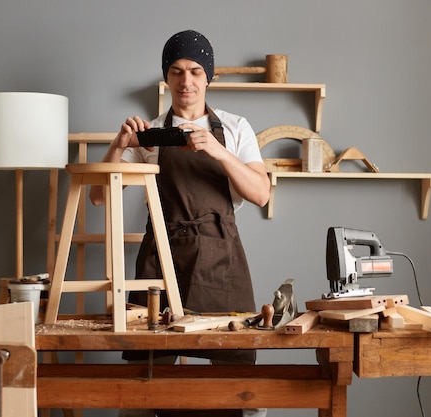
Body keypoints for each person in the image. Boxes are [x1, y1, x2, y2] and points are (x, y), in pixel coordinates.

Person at [90, 30, 270, 417]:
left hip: (221, 257)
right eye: (176, 71)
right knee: (146, 370)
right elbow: (98, 196)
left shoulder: (236, 128)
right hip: (161, 257)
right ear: (166, 77)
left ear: (209, 77)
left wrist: (218, 151)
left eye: (194, 71)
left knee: (237, 369)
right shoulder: (151, 131)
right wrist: (120, 145)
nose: (185, 81)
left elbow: (261, 193)